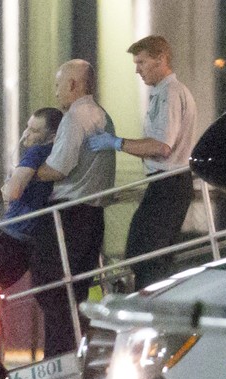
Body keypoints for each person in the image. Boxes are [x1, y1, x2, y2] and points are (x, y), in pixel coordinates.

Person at [32, 59, 140, 379]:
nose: (56, 90)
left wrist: (26, 171)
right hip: (89, 222)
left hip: (67, 220)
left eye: (58, 83)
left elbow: (59, 167)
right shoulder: (105, 116)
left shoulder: (76, 117)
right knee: (76, 312)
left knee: (56, 310)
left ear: (74, 84)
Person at [88, 35, 197, 290]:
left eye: (142, 62)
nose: (137, 69)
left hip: (167, 182)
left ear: (161, 59)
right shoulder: (168, 92)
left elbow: (161, 146)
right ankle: (151, 311)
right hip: (170, 182)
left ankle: (147, 313)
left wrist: (116, 143)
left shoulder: (169, 93)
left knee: (144, 255)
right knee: (151, 256)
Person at [0, 107, 64, 289]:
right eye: (28, 127)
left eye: (34, 131)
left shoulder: (36, 153)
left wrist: (9, 187)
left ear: (52, 136)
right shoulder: (58, 155)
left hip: (13, 235)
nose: (26, 134)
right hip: (30, 239)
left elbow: (12, 191)